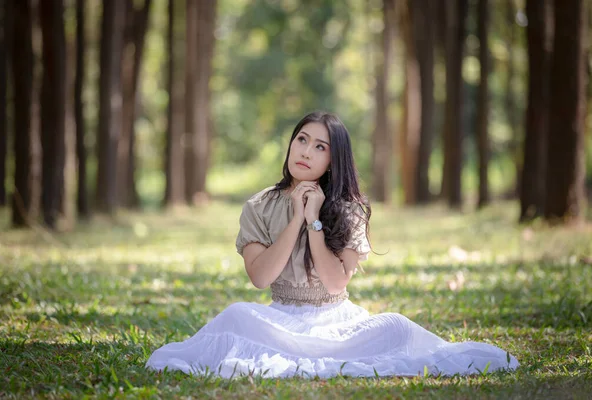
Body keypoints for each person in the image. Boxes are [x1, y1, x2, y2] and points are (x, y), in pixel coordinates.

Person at [145, 111, 519, 378]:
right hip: (279, 318)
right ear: (291, 144)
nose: (305, 152)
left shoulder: (349, 209)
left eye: (319, 147)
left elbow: (337, 283)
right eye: (301, 140)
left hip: (337, 320)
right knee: (236, 315)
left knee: (397, 328)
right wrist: (294, 219)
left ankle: (322, 352)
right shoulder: (258, 206)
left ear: (333, 158)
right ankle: (295, 350)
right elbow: (260, 278)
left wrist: (314, 221)